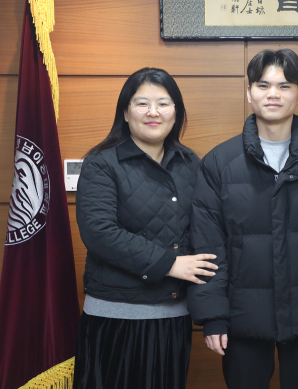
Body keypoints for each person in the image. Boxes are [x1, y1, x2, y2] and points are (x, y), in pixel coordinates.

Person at [187, 49, 298, 389]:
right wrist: (213, 317)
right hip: (241, 319)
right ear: (249, 93)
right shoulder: (219, 163)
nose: (273, 94)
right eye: (263, 85)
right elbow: (208, 247)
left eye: (285, 85)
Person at [72, 67, 217, 389]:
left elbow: (206, 229)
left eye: (164, 103)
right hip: (115, 315)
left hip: (173, 314)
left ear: (176, 112)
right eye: (142, 104)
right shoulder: (101, 162)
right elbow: (99, 231)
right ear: (125, 111)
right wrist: (170, 263)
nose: (153, 112)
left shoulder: (191, 163)